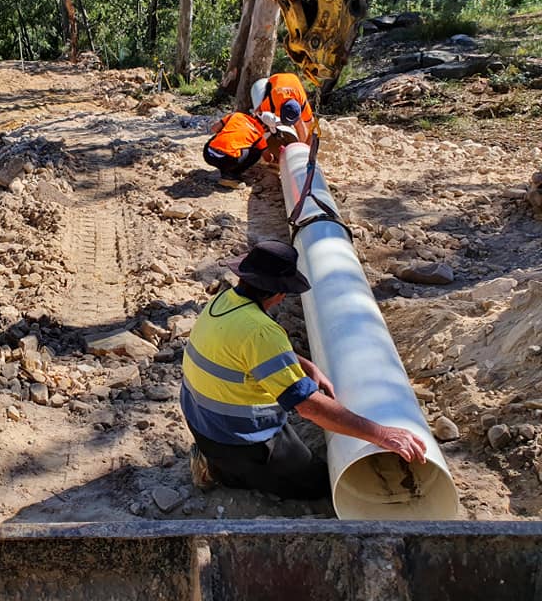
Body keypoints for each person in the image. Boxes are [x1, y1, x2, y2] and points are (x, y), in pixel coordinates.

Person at [181, 240, 427, 499]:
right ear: (279, 292)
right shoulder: (261, 332)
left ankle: (218, 458)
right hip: (237, 440)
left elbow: (245, 350)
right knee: (317, 485)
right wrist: (382, 434)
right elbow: (308, 406)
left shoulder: (224, 301)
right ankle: (220, 470)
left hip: (200, 420)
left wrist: (303, 364)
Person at [203, 110, 278, 189]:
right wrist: (273, 159)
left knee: (221, 136)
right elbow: (267, 158)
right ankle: (229, 178)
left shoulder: (237, 115)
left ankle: (224, 170)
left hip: (208, 154)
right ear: (264, 126)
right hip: (225, 161)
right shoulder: (258, 136)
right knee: (256, 152)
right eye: (268, 130)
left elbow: (214, 128)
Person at [251, 73, 314, 143]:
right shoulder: (274, 99)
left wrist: (306, 146)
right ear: (280, 110)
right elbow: (257, 111)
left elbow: (311, 128)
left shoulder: (303, 105)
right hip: (276, 78)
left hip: (293, 80)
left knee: (300, 124)